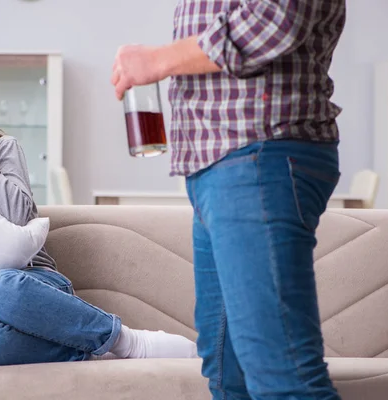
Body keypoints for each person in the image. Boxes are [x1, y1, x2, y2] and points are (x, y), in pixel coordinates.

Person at [0, 76, 198, 368]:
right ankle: (89, 347)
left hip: (28, 286)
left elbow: (19, 217)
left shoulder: (1, 151)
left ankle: (129, 342)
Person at [112, 1, 345, 399]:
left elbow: (277, 19)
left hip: (258, 154)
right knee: (225, 369)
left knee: (282, 375)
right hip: (217, 166)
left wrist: (158, 60)